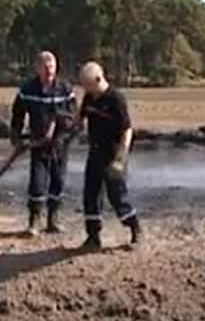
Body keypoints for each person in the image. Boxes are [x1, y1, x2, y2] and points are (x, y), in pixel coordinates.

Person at [10, 51, 77, 236]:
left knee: (59, 180)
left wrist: (63, 128)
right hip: (37, 144)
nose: (49, 71)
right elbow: (17, 114)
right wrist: (16, 136)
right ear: (37, 68)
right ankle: (34, 221)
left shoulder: (65, 89)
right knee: (37, 182)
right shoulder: (27, 90)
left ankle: (53, 219)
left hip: (60, 145)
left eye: (52, 67)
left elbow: (73, 116)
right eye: (45, 68)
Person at [76, 61, 140, 249]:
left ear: (98, 79)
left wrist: (121, 156)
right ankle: (93, 237)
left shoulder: (116, 99)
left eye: (88, 84)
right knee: (91, 194)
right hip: (95, 151)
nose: (86, 89)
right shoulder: (89, 97)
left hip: (113, 153)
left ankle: (135, 229)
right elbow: (79, 119)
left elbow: (127, 129)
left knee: (117, 195)